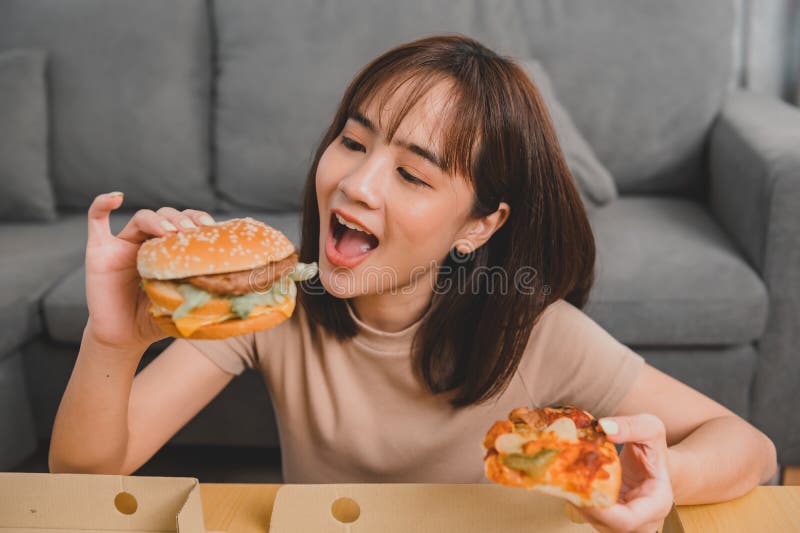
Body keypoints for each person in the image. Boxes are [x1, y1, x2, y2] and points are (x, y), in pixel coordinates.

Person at [49, 35, 776, 532]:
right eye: (353, 141)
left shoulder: (535, 333)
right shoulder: (272, 309)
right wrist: (113, 336)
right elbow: (85, 473)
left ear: (477, 226)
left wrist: (660, 474)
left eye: (411, 173)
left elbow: (751, 448)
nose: (355, 184)